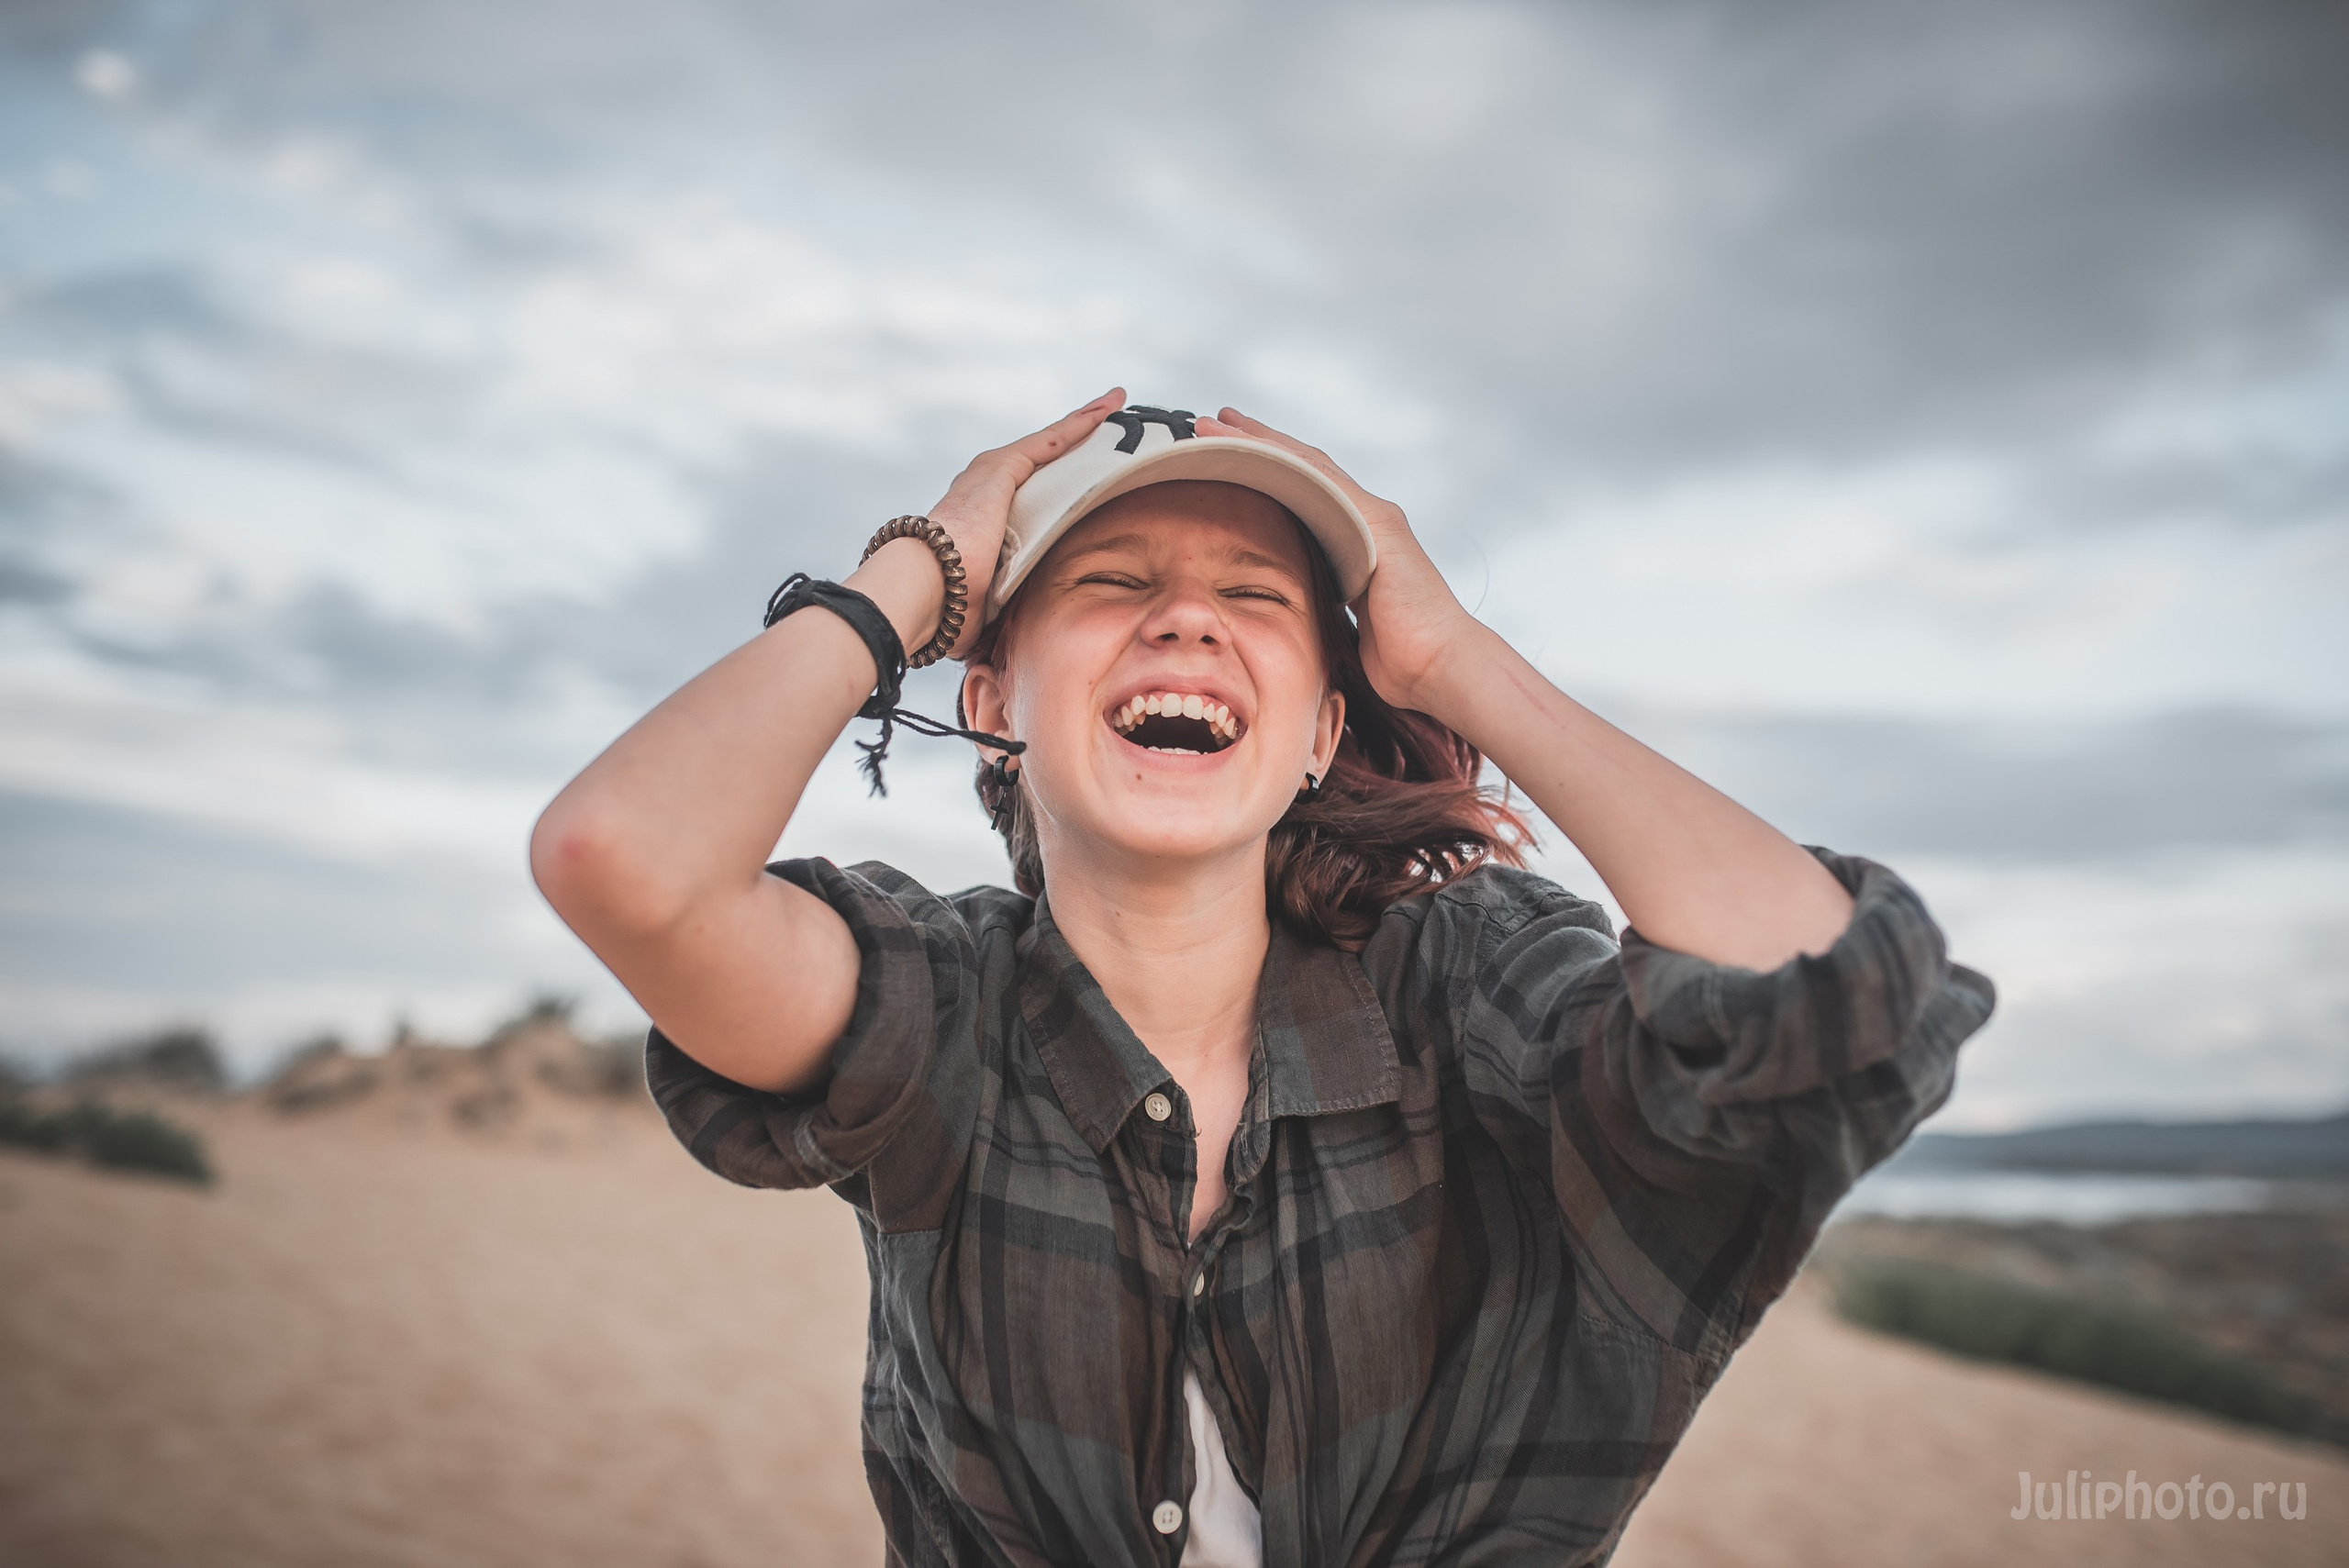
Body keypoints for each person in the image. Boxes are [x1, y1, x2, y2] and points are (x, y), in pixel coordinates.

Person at [531, 391, 1995, 1568]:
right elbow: (623, 859)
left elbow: (1829, 992)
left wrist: (1458, 656)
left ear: (1315, 732)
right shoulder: (935, 1004)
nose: (1186, 619)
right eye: (1113, 583)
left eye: (1256, 595)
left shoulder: (1471, 983)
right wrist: (913, 574)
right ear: (991, 705)